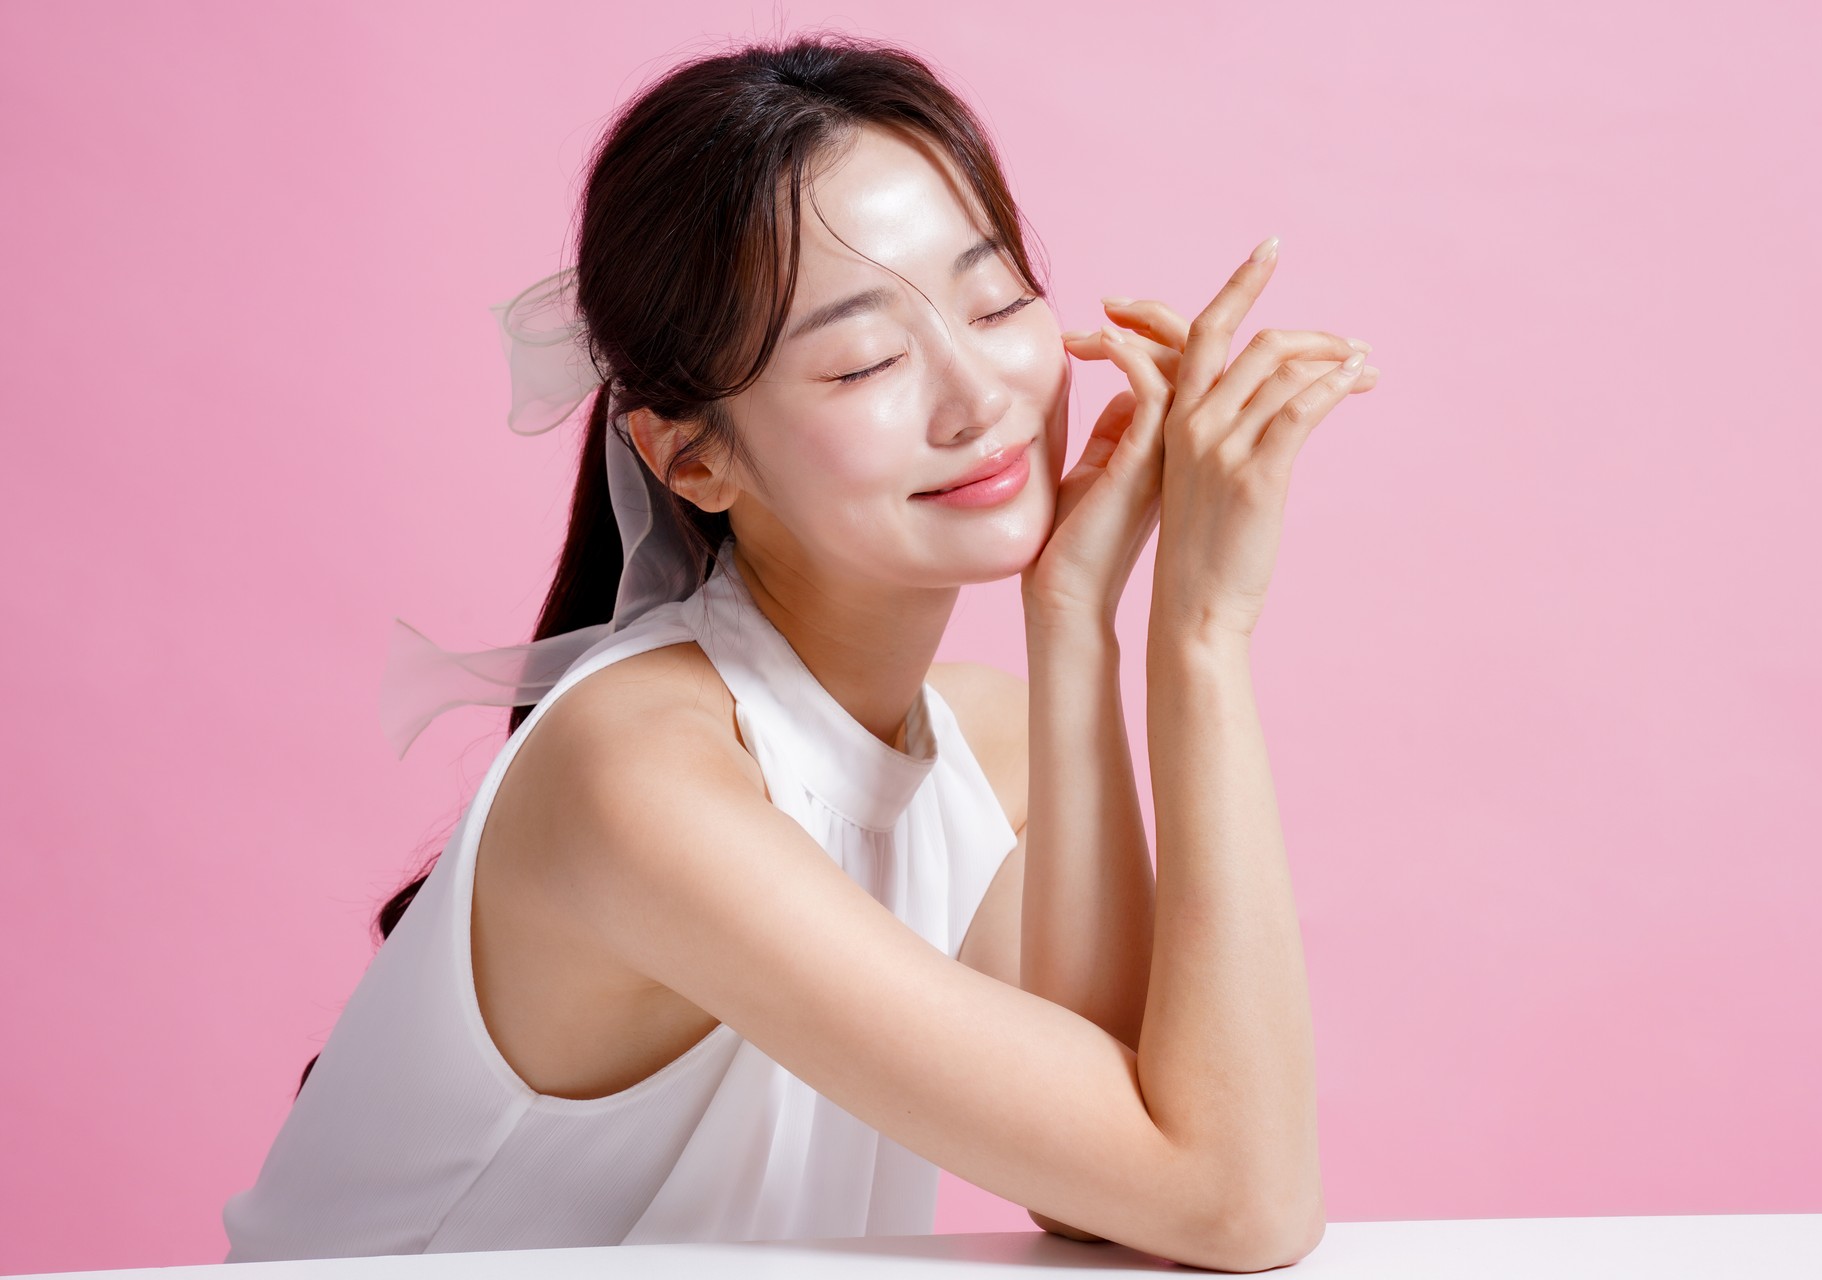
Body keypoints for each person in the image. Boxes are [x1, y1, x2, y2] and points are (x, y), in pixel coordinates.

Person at [221, 30, 1377, 1271]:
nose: (978, 392)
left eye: (996, 301)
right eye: (867, 357)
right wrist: (1201, 632)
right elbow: (1234, 1201)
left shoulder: (985, 742)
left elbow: (1113, 1193)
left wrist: (1078, 626)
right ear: (691, 455)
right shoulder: (640, 771)